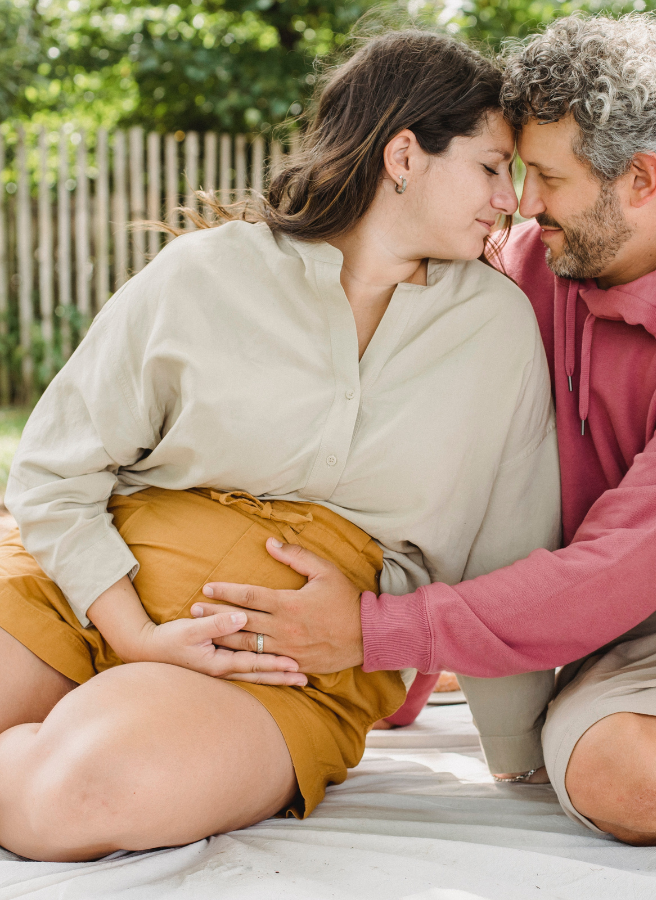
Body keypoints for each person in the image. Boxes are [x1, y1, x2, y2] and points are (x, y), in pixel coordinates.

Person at [198, 13, 656, 865]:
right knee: (621, 782)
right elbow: (449, 443)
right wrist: (402, 663)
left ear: (641, 179)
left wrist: (377, 630)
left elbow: (615, 570)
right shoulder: (530, 268)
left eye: (549, 178)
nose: (522, 202)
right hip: (631, 631)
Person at [0, 30, 561, 862]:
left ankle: (78, 733)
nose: (510, 199)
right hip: (84, 590)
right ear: (404, 154)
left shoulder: (497, 330)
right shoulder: (204, 275)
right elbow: (53, 470)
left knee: (77, 798)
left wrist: (519, 757)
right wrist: (132, 634)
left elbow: (511, 545)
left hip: (283, 660)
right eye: (490, 167)